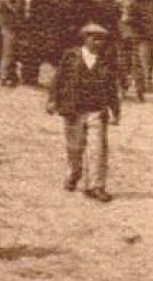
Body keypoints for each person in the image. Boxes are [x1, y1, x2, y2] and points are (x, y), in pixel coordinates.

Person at [47, 21, 122, 203]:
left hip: (97, 109)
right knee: (75, 147)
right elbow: (58, 80)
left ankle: (95, 186)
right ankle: (74, 173)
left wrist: (115, 110)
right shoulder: (71, 56)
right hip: (73, 109)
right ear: (85, 38)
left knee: (98, 148)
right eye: (95, 38)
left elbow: (112, 86)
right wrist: (52, 100)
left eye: (102, 39)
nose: (99, 43)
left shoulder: (106, 59)